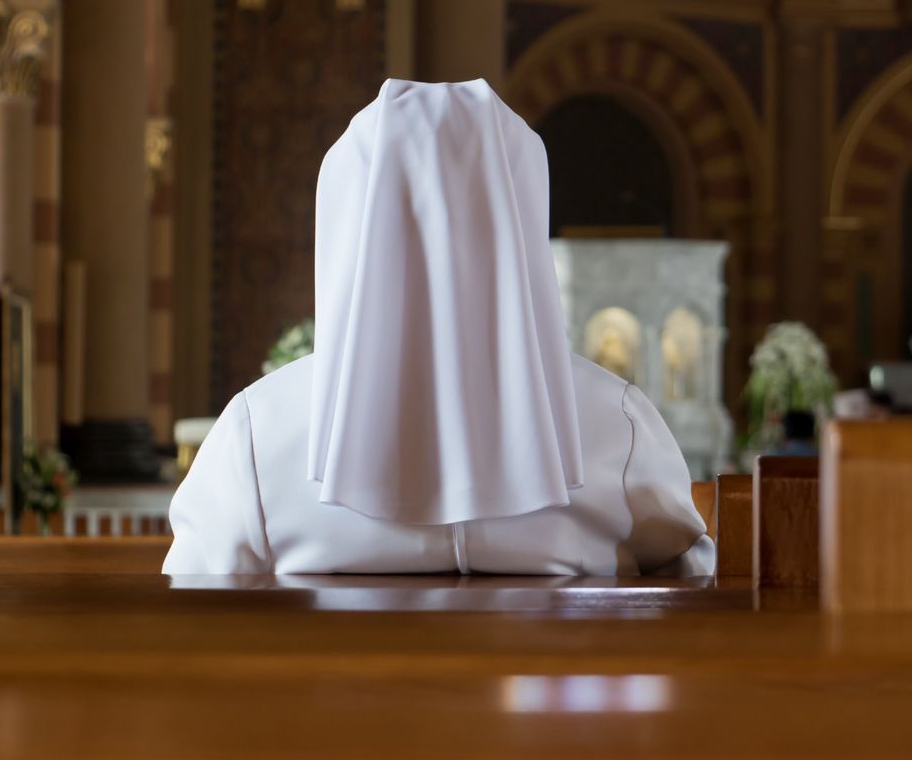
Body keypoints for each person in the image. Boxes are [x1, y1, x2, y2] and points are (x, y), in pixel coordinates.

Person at [164, 79, 714, 576]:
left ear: (347, 220)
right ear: (520, 219)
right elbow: (693, 580)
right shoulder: (617, 421)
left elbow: (190, 606)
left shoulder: (259, 432)